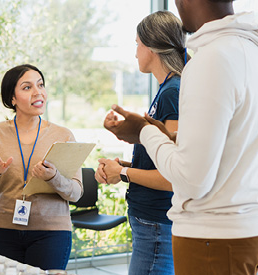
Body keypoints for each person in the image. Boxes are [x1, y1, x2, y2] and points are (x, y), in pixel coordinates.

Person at [103, 1, 258, 274]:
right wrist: (169, 137)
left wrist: (144, 132)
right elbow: (230, 141)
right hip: (251, 225)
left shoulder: (212, 58)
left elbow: (191, 179)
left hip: (215, 234)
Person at [95, 11, 187, 275]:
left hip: (157, 223)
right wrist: (121, 167)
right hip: (151, 222)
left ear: (152, 47)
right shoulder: (166, 90)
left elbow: (172, 176)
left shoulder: (172, 93)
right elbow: (161, 158)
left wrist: (123, 173)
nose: (135, 52)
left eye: (137, 44)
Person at [0, 64, 83, 270]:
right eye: (27, 87)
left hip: (51, 233)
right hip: (2, 229)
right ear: (12, 99)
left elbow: (76, 193)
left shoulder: (63, 136)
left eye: (41, 85)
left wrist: (53, 177)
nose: (38, 92)